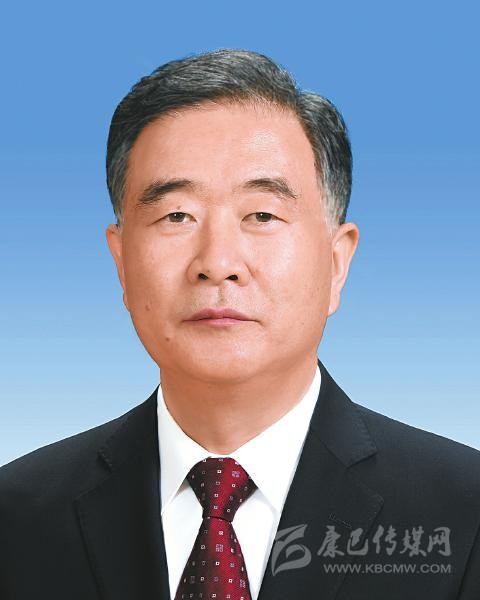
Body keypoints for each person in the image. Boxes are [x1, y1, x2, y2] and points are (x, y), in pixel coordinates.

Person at [0, 49, 479, 600]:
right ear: (121, 262)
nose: (218, 261)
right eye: (176, 215)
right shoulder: (18, 516)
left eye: (262, 215)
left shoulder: (463, 515)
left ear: (336, 263)